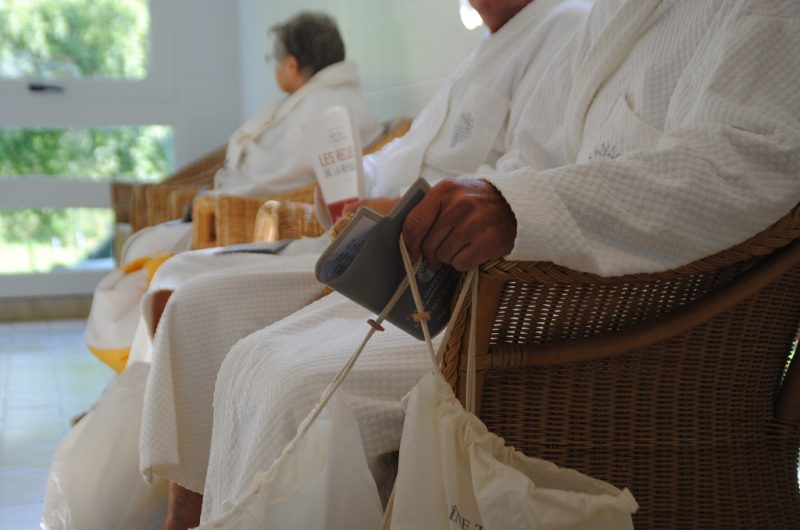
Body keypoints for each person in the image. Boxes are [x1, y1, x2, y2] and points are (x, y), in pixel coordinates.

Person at [198, 0, 800, 525]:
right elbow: (534, 153)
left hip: (633, 330)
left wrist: (519, 208)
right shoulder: (612, 15)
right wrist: (460, 200)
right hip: (532, 289)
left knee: (297, 387)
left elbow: (752, 161)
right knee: (257, 358)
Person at [131, 0, 591, 528]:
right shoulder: (482, 54)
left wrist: (404, 207)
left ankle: (201, 510)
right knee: (191, 304)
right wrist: (355, 183)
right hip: (378, 234)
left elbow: (521, 182)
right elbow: (409, 152)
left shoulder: (565, 27)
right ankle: (188, 510)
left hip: (431, 261)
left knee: (266, 364)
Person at [84, 11, 382, 369]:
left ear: (291, 64)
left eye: (274, 59)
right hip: (245, 210)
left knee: (147, 259)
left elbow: (272, 175)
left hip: (250, 220)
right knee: (148, 254)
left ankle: (139, 376)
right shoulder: (333, 97)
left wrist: (210, 201)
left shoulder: (321, 105)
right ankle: (133, 382)